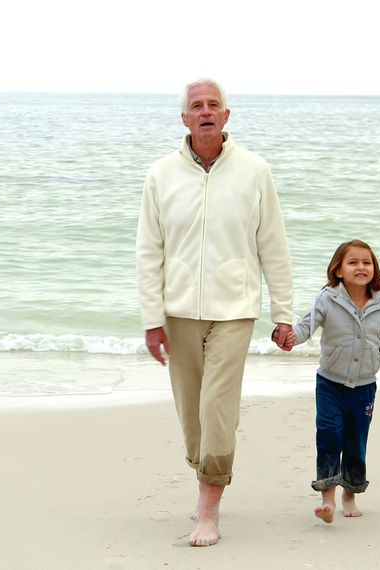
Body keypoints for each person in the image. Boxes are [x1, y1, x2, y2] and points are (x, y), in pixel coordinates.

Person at [136, 78, 294, 547]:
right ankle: (205, 476)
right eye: (196, 106)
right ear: (184, 118)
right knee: (191, 415)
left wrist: (282, 313)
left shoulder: (254, 171)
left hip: (235, 310)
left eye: (214, 105)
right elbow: (149, 251)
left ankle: (209, 508)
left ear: (227, 116)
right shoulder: (161, 175)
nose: (205, 111)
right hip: (179, 311)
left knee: (217, 407)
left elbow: (274, 246)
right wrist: (152, 319)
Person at [275, 239, 380, 523]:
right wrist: (290, 336)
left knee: (355, 441)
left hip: (365, 387)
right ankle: (328, 499)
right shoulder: (328, 298)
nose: (361, 267)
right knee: (329, 435)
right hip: (330, 384)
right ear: (339, 270)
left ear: (374, 268)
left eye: (366, 262)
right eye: (353, 262)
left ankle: (350, 493)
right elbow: (307, 326)